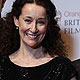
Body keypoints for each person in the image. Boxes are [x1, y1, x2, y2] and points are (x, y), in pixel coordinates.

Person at [0, 0, 77, 80]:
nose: (33, 29)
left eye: (40, 22)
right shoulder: (2, 66)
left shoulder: (63, 68)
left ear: (47, 24)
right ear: (16, 21)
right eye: (28, 20)